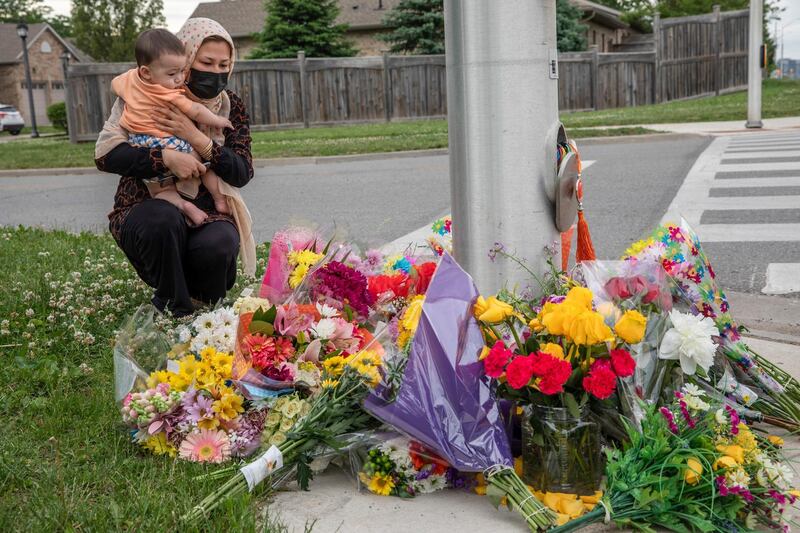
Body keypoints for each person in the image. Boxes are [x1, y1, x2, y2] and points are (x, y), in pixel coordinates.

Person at [95, 18, 256, 318]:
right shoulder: (143, 92)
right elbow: (107, 156)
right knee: (162, 219)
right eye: (207, 62)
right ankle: (173, 301)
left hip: (208, 210)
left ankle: (200, 298)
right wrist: (166, 159)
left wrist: (195, 137)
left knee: (219, 242)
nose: (216, 72)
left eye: (224, 65)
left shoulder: (229, 105)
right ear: (188, 56)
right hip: (146, 204)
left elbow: (242, 171)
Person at [112, 28, 233, 225]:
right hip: (171, 144)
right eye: (172, 73)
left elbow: (115, 84)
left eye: (182, 71)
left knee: (161, 190)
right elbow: (195, 110)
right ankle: (219, 199)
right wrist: (217, 121)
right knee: (205, 166)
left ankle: (185, 206)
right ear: (146, 72)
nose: (179, 79)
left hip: (142, 145)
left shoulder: (128, 82)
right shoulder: (170, 94)